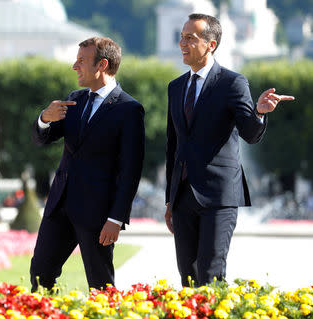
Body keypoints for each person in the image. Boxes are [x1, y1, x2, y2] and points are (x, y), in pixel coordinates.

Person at [164, 13, 294, 287]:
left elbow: (250, 134)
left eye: (191, 37)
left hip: (219, 196)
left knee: (210, 275)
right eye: (181, 37)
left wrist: (259, 113)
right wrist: (169, 199)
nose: (182, 43)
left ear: (211, 44)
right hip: (183, 197)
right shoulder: (175, 88)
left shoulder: (232, 83)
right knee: (187, 278)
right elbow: (173, 146)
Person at [31, 37, 145, 291]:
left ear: (102, 64)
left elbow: (131, 170)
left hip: (98, 214)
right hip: (59, 207)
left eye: (81, 61)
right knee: (39, 277)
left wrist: (116, 219)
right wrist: (44, 119)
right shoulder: (75, 99)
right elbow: (43, 138)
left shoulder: (129, 109)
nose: (75, 66)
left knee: (100, 286)